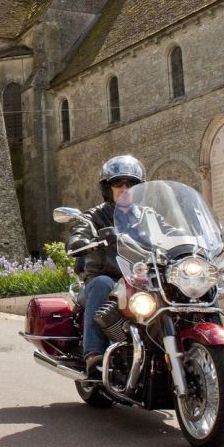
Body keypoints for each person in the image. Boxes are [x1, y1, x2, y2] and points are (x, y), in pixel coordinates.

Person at [66, 155, 146, 377]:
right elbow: (79, 231)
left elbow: (170, 231)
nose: (125, 189)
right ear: (108, 188)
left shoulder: (148, 217)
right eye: (118, 184)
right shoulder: (95, 216)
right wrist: (79, 241)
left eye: (131, 184)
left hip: (142, 279)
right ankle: (93, 353)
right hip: (107, 279)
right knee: (102, 283)